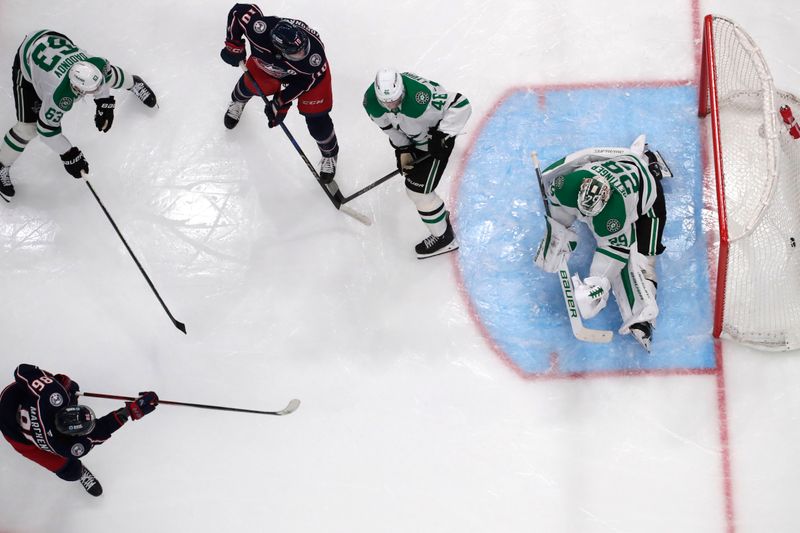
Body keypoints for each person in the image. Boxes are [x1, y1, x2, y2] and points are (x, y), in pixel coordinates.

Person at [533, 135, 670, 351]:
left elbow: (615, 253)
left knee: (643, 260)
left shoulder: (614, 215)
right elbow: (560, 207)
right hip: (620, 165)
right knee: (579, 213)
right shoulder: (568, 185)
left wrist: (598, 283)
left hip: (647, 198)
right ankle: (640, 157)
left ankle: (643, 318)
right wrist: (558, 234)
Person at [0, 29, 157, 198]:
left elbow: (103, 79)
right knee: (27, 128)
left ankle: (134, 82)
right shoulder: (59, 96)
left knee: (109, 75)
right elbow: (46, 131)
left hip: (54, 39)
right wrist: (68, 153)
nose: (99, 89)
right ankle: (2, 165)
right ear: (75, 88)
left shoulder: (96, 64)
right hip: (28, 56)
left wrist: (104, 102)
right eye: (92, 90)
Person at [220, 4, 339, 184]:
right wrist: (233, 45)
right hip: (269, 66)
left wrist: (281, 101)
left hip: (308, 78)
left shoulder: (313, 57)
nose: (302, 53)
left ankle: (330, 154)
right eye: (296, 52)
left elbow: (307, 82)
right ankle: (238, 102)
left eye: (303, 49)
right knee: (251, 85)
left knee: (318, 121)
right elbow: (239, 11)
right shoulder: (259, 30)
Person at [0, 363, 158, 496]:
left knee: (71, 387)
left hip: (10, 400)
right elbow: (99, 432)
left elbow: (21, 370)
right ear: (73, 436)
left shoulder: (53, 396)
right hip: (18, 436)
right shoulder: (69, 448)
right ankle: (80, 472)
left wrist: (50, 381)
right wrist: (130, 412)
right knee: (72, 472)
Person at [363, 69, 471, 259]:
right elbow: (389, 128)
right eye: (385, 102)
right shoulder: (371, 101)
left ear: (402, 91)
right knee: (415, 189)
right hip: (415, 139)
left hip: (435, 143)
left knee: (419, 192)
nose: (391, 106)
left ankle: (444, 238)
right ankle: (439, 219)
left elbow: (460, 104)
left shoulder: (421, 99)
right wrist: (403, 150)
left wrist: (442, 135)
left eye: (395, 100)